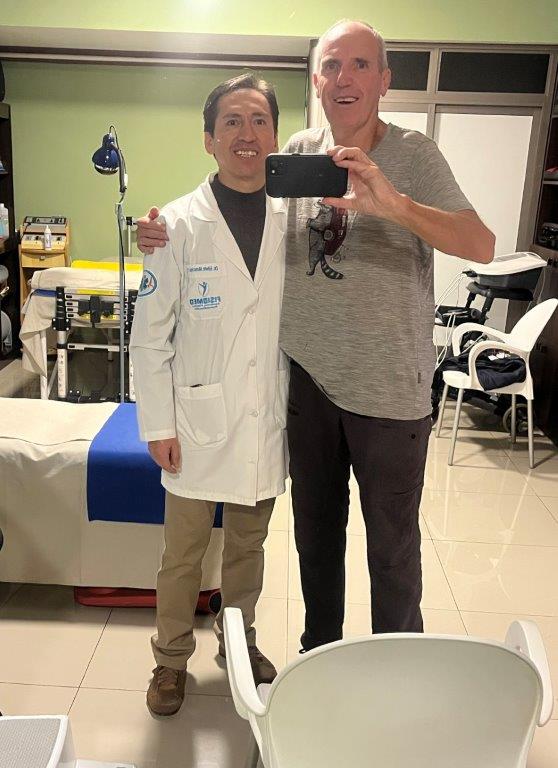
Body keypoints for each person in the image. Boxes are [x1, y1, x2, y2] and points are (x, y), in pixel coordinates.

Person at [136, 20, 495, 653]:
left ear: (383, 80)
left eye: (360, 64)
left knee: (391, 551)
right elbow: (239, 229)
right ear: (316, 80)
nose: (344, 78)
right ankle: (319, 655)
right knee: (316, 545)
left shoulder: (415, 155)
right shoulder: (300, 157)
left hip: (390, 395)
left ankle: (396, 672)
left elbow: (482, 245)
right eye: (332, 65)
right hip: (310, 391)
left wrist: (394, 205)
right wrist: (158, 232)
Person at [130, 73, 288, 717]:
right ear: (209, 138)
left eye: (259, 120)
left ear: (275, 135)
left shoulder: (297, 219)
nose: (246, 134)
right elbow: (150, 337)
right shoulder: (174, 224)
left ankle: (238, 642)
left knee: (248, 549)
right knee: (183, 556)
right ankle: (170, 660)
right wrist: (158, 425)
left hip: (263, 417)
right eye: (232, 121)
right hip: (194, 423)